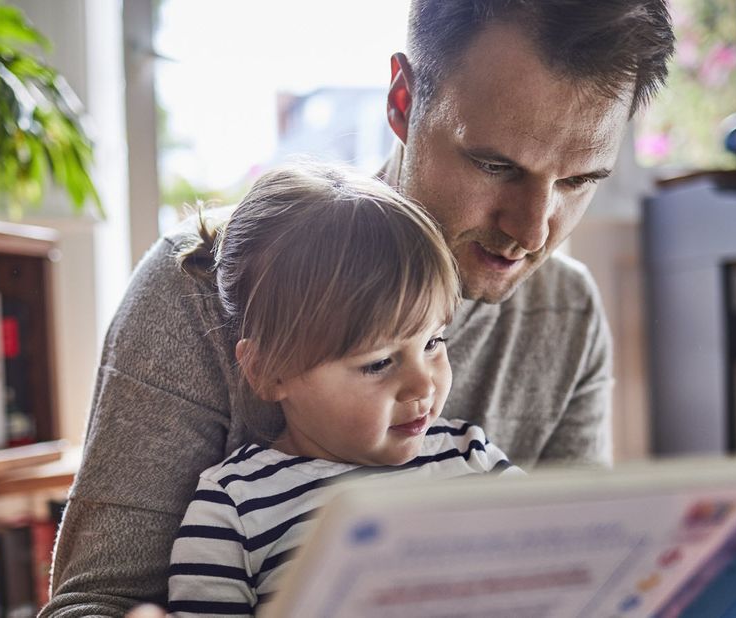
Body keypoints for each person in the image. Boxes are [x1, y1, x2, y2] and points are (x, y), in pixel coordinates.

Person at [41, 1, 676, 615]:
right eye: (494, 164)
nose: (534, 230)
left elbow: (588, 575)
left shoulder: (565, 310)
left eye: (579, 181)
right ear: (403, 101)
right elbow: (92, 604)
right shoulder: (201, 285)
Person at [166, 163, 523, 616]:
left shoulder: (471, 457)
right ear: (268, 372)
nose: (422, 384)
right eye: (378, 363)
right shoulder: (234, 508)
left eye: (433, 342)